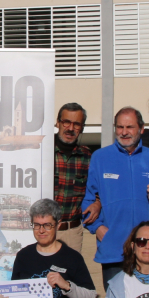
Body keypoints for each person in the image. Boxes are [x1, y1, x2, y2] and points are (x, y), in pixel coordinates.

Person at [83, 107, 149, 288]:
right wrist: (98, 229)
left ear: (141, 129)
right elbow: (88, 199)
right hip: (113, 249)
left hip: (148, 250)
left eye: (130, 127)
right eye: (120, 127)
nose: (124, 132)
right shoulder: (100, 157)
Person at [52, 103, 97, 252]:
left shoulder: (88, 157)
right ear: (58, 122)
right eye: (66, 122)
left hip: (72, 232)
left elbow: (100, 189)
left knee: (69, 275)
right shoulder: (43, 152)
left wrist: (98, 203)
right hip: (43, 230)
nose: (70, 128)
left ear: (82, 127)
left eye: (76, 124)